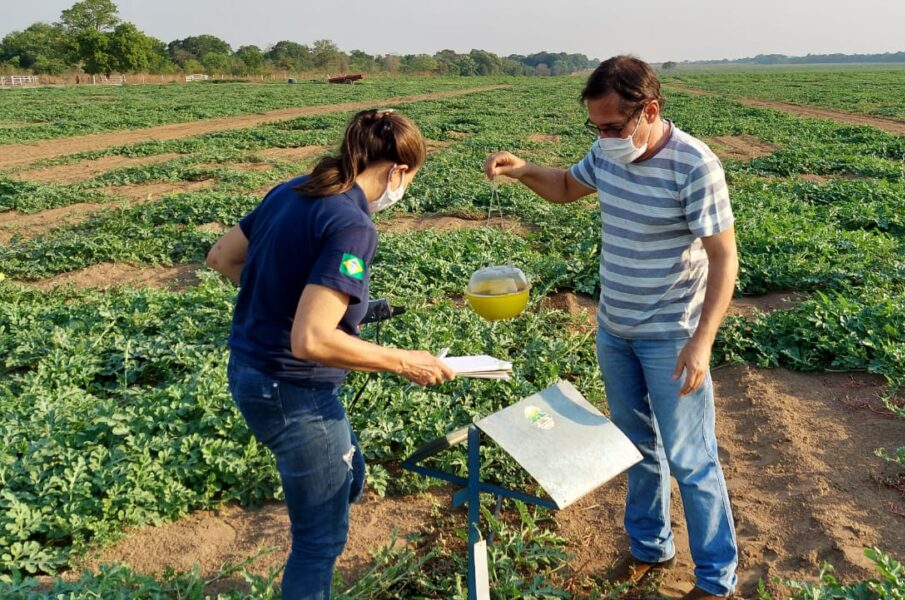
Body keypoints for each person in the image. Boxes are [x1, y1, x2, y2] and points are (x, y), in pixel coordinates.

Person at [484, 56, 739, 599]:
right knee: (637, 447)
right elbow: (566, 188)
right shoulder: (607, 152)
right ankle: (650, 546)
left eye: (612, 126)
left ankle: (716, 581)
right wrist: (524, 169)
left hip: (672, 334)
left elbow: (724, 258)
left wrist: (702, 341)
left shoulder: (695, 164)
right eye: (595, 127)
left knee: (693, 461)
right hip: (615, 329)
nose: (603, 137)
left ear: (648, 110)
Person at [206, 108, 455, 600]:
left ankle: (336, 486)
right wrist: (406, 360)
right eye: (408, 181)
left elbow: (222, 257)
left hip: (249, 369)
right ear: (398, 171)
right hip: (294, 390)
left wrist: (288, 301)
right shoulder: (352, 225)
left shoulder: (292, 190)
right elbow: (312, 341)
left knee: (351, 476)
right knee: (319, 542)